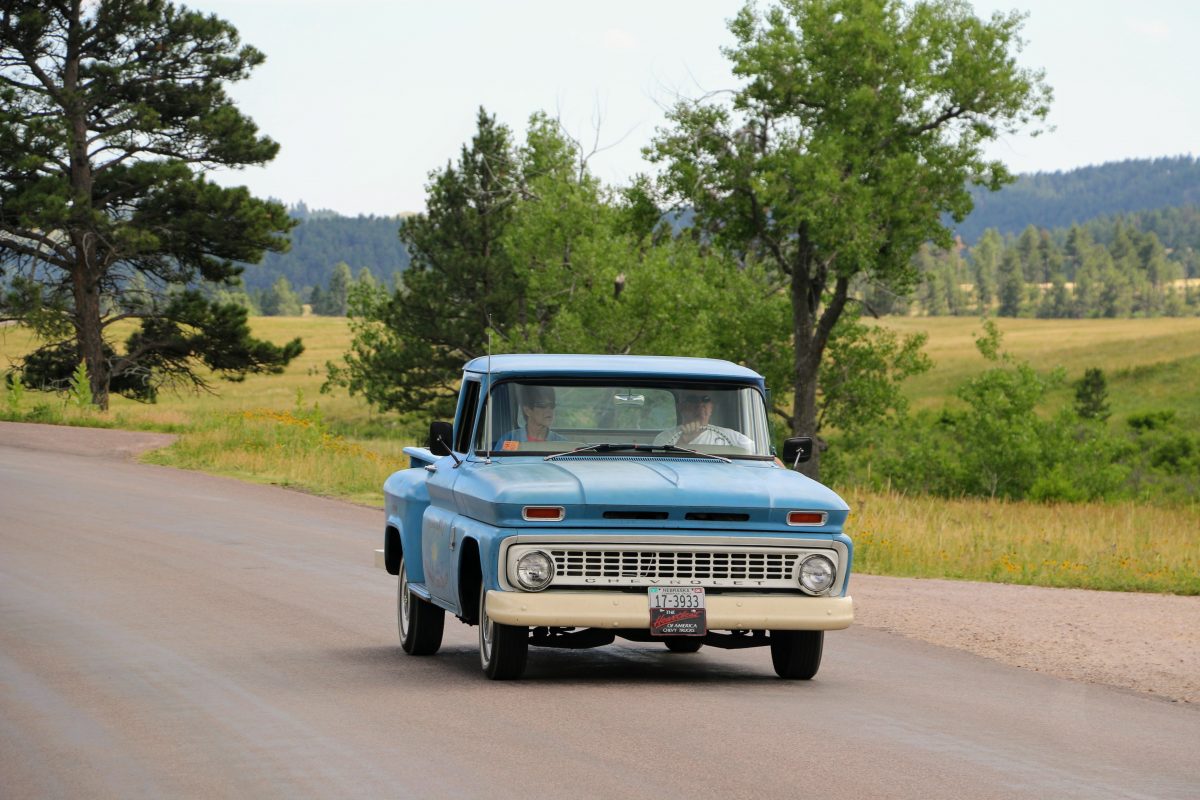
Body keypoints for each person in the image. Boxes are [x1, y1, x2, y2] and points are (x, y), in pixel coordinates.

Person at [653, 390, 753, 450]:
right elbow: (661, 466)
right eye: (692, 399)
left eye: (705, 399)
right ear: (681, 407)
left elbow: (759, 454)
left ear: (711, 407)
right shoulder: (665, 438)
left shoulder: (731, 437)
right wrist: (683, 440)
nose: (700, 405)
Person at [495, 385, 565, 447]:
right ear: (527, 411)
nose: (549, 410)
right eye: (542, 405)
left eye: (552, 405)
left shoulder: (562, 443)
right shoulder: (509, 439)